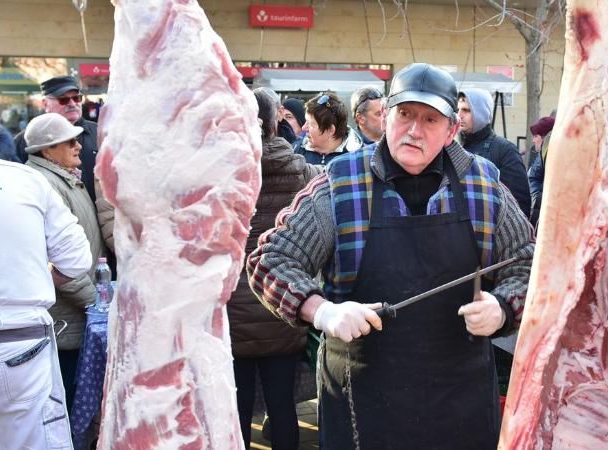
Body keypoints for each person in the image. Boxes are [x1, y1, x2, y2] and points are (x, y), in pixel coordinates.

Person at [247, 63, 534, 450]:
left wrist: (503, 307)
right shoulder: (341, 182)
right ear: (385, 117)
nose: (414, 130)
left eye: (430, 119)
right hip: (362, 410)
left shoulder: (483, 183)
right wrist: (323, 311)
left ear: (452, 131)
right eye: (405, 114)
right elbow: (270, 260)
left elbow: (528, 263)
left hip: (460, 409)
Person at [228, 88, 322, 450]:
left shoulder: (223, 170)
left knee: (236, 409)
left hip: (233, 309)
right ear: (275, 122)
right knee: (283, 408)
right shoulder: (298, 170)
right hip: (280, 300)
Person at [0, 158, 92, 450]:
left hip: (19, 339)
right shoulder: (24, 178)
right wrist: (33, 282)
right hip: (19, 340)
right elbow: (75, 259)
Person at [23, 113, 106, 409]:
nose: (78, 146)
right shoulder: (45, 185)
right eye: (68, 141)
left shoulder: (65, 180)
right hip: (63, 322)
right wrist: (95, 301)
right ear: (47, 151)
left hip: (76, 317)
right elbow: (54, 259)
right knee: (64, 407)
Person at [16, 76, 100, 202]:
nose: (72, 104)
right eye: (63, 100)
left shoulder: (100, 132)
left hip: (102, 217)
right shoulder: (26, 140)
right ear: (45, 103)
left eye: (76, 98)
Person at [457, 88, 531, 218]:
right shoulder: (455, 148)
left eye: (467, 110)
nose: (459, 115)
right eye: (458, 109)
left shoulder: (505, 150)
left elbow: (520, 206)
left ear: (482, 113)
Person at [293, 92, 363, 165]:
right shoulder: (295, 151)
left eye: (310, 124)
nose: (304, 128)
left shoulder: (360, 157)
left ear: (330, 130)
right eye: (305, 121)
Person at [527, 115, 555, 227]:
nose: (533, 140)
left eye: (536, 136)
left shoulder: (551, 153)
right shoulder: (538, 153)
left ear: (546, 136)